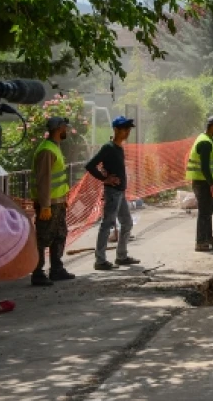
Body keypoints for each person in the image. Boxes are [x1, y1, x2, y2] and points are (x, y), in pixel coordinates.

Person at [85, 116, 140, 270]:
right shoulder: (108, 148)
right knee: (107, 224)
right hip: (113, 193)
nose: (127, 132)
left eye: (128, 129)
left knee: (127, 223)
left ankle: (121, 256)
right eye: (125, 129)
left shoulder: (119, 148)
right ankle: (100, 260)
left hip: (120, 192)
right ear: (116, 130)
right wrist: (105, 178)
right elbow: (90, 165)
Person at [30, 117, 75, 286]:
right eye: (65, 128)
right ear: (59, 129)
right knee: (43, 237)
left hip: (57, 202)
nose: (67, 131)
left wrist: (62, 199)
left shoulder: (54, 147)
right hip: (48, 204)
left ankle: (56, 269)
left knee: (60, 234)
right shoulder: (47, 150)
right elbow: (44, 180)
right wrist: (45, 205)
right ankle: (37, 272)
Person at [186, 116, 213, 252]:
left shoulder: (208, 140)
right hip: (202, 182)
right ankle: (201, 242)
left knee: (208, 211)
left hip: (205, 181)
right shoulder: (205, 143)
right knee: (204, 212)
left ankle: (208, 238)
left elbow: (212, 166)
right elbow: (204, 167)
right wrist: (212, 184)